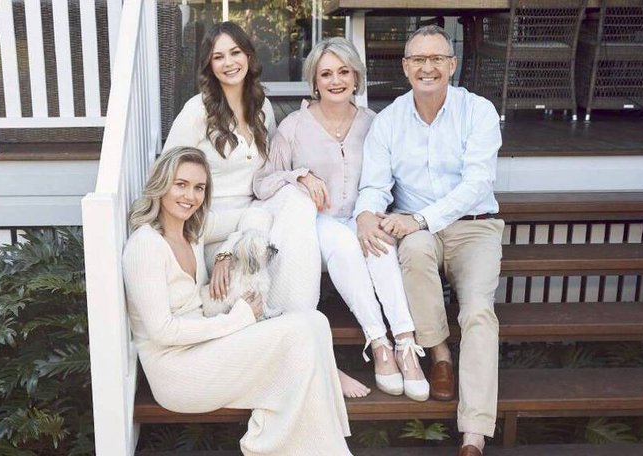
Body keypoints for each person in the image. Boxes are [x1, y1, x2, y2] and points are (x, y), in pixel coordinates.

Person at [123, 146, 352, 456]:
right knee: (298, 334)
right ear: (161, 185)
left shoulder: (192, 231)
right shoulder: (145, 245)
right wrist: (237, 319)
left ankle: (319, 447)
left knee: (315, 321)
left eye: (199, 187)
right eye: (181, 184)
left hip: (207, 349)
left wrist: (226, 251)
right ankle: (279, 447)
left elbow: (255, 213)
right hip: (177, 372)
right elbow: (163, 332)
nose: (190, 196)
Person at [354, 25, 504, 456]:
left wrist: (420, 218)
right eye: (418, 59)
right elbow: (375, 185)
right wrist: (366, 214)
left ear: (452, 65)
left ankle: (473, 434)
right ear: (405, 67)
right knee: (414, 253)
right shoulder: (389, 121)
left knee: (478, 312)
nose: (428, 67)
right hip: (418, 233)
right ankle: (439, 355)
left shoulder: (478, 111)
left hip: (474, 225)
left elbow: (478, 184)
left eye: (437, 58)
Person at [254, 37, 429, 401]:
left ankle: (405, 344)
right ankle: (378, 342)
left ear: (356, 78)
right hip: (316, 223)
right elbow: (262, 182)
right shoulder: (294, 126)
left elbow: (393, 176)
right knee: (347, 246)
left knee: (377, 245)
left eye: (344, 72)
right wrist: (300, 175)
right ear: (314, 82)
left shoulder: (374, 123)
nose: (336, 80)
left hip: (363, 215)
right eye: (326, 73)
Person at [163, 22, 320, 314]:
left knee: (299, 202)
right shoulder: (198, 111)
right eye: (218, 56)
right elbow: (168, 174)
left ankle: (298, 315)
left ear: (248, 55)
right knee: (247, 274)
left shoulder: (263, 109)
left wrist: (303, 176)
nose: (228, 63)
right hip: (213, 226)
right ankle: (270, 326)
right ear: (209, 65)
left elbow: (272, 173)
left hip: (255, 222)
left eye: (235, 52)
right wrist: (226, 250)